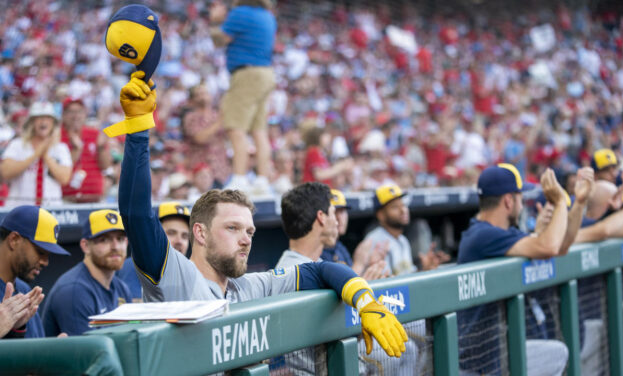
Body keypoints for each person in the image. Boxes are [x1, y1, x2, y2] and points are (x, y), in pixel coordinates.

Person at [114, 71, 408, 359]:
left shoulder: (248, 286)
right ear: (200, 233)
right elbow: (136, 214)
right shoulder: (176, 276)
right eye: (233, 228)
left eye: (250, 232)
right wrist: (138, 128)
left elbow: (320, 270)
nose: (245, 240)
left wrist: (366, 301)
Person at [457, 163, 594, 375]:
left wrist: (579, 204)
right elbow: (548, 246)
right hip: (477, 362)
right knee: (555, 353)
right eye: (521, 198)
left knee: (554, 353)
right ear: (508, 201)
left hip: (491, 353)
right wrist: (559, 202)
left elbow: (561, 246)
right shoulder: (483, 235)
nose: (522, 205)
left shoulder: (498, 232)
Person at [275, 183, 417, 376]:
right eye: (334, 213)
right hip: (323, 371)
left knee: (405, 347)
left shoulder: (303, 264)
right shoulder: (293, 272)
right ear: (321, 218)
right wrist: (360, 290)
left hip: (337, 367)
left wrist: (361, 286)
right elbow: (331, 342)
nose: (338, 221)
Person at [209, 0, 277, 194]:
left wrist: (215, 21)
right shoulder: (268, 15)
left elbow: (219, 40)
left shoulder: (241, 12)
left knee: (236, 128)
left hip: (246, 74)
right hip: (265, 73)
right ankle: (262, 180)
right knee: (259, 130)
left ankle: (240, 179)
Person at [42, 209, 131, 336]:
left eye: (120, 239)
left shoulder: (121, 288)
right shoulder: (74, 291)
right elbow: (86, 353)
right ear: (85, 246)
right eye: (104, 240)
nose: (115, 246)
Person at [0, 205, 70, 338]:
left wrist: (50, 353)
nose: (45, 262)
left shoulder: (25, 291)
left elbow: (27, 355)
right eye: (40, 252)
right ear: (14, 240)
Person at [365, 184, 448, 276]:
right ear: (380, 215)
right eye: (395, 207)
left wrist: (425, 269)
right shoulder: (374, 241)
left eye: (403, 205)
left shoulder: (403, 240)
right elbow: (384, 284)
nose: (403, 210)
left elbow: (407, 276)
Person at [0, 102, 72, 207]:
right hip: (20, 208)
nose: (43, 121)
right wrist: (36, 154)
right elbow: (6, 172)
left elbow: (64, 178)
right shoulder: (17, 145)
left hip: (51, 209)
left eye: (47, 118)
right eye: (39, 118)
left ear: (53, 123)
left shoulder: (61, 148)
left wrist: (46, 156)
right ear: (32, 122)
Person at [117, 201, 191, 301]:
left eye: (184, 236)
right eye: (171, 233)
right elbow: (135, 310)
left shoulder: (190, 270)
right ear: (153, 235)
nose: (179, 241)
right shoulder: (134, 265)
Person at [321, 189, 388, 280]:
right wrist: (359, 264)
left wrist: (370, 266)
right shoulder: (318, 251)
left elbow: (355, 280)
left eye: (343, 211)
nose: (339, 217)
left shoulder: (339, 247)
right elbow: (341, 288)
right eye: (335, 212)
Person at [60, 97, 112, 203]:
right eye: (71, 112)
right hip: (66, 200)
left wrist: (101, 148)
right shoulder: (56, 136)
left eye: (79, 111)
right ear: (63, 115)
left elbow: (105, 166)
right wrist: (76, 150)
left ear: (85, 114)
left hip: (94, 198)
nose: (76, 116)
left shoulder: (94, 134)